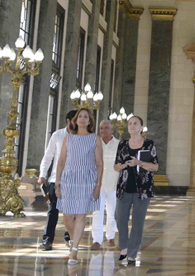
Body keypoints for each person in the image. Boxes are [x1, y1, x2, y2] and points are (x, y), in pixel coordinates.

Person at [56, 108, 104, 265]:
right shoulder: (68, 138)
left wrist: (98, 185)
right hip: (68, 180)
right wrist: (57, 184)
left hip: (86, 180)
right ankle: (73, 239)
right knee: (68, 217)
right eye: (80, 116)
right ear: (75, 120)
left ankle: (74, 250)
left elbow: (99, 163)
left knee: (81, 215)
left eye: (86, 117)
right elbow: (61, 161)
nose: (83, 119)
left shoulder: (94, 138)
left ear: (90, 121)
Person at [113, 115, 159, 266]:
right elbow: (115, 166)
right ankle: (124, 247)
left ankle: (132, 254)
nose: (132, 126)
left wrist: (139, 162)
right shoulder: (123, 144)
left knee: (138, 222)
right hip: (124, 188)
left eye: (135, 123)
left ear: (141, 127)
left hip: (142, 190)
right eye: (130, 123)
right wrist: (121, 166)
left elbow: (155, 167)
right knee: (120, 218)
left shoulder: (149, 144)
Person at [38, 110, 77, 250]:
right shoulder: (57, 135)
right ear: (68, 121)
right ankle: (47, 239)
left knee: (71, 211)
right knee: (52, 210)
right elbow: (48, 156)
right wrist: (42, 174)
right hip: (56, 179)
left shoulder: (83, 136)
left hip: (74, 180)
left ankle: (70, 238)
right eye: (76, 119)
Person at [91, 120, 120, 249]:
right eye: (101, 128)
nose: (104, 130)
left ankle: (111, 236)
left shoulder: (119, 144)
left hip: (114, 183)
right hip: (98, 184)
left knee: (112, 211)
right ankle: (96, 239)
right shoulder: (95, 144)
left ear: (112, 130)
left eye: (107, 128)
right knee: (97, 211)